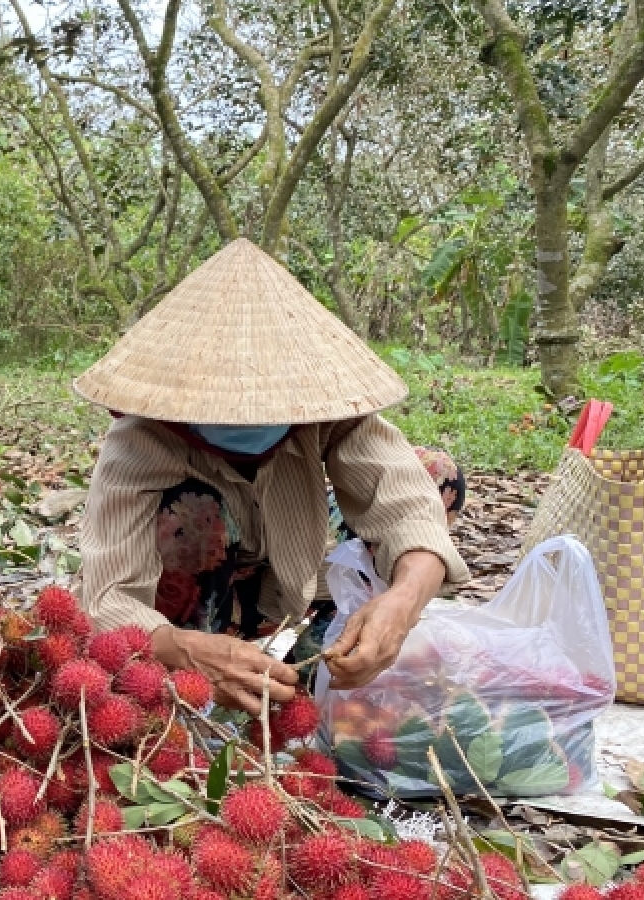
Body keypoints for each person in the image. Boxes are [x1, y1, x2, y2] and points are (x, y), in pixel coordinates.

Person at [73, 238, 470, 715]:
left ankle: (331, 646)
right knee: (193, 512)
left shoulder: (324, 410)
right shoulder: (141, 439)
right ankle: (218, 662)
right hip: (197, 606)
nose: (248, 414)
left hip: (296, 571)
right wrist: (186, 651)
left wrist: (403, 603)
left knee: (434, 473)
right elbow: (107, 598)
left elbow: (403, 498)